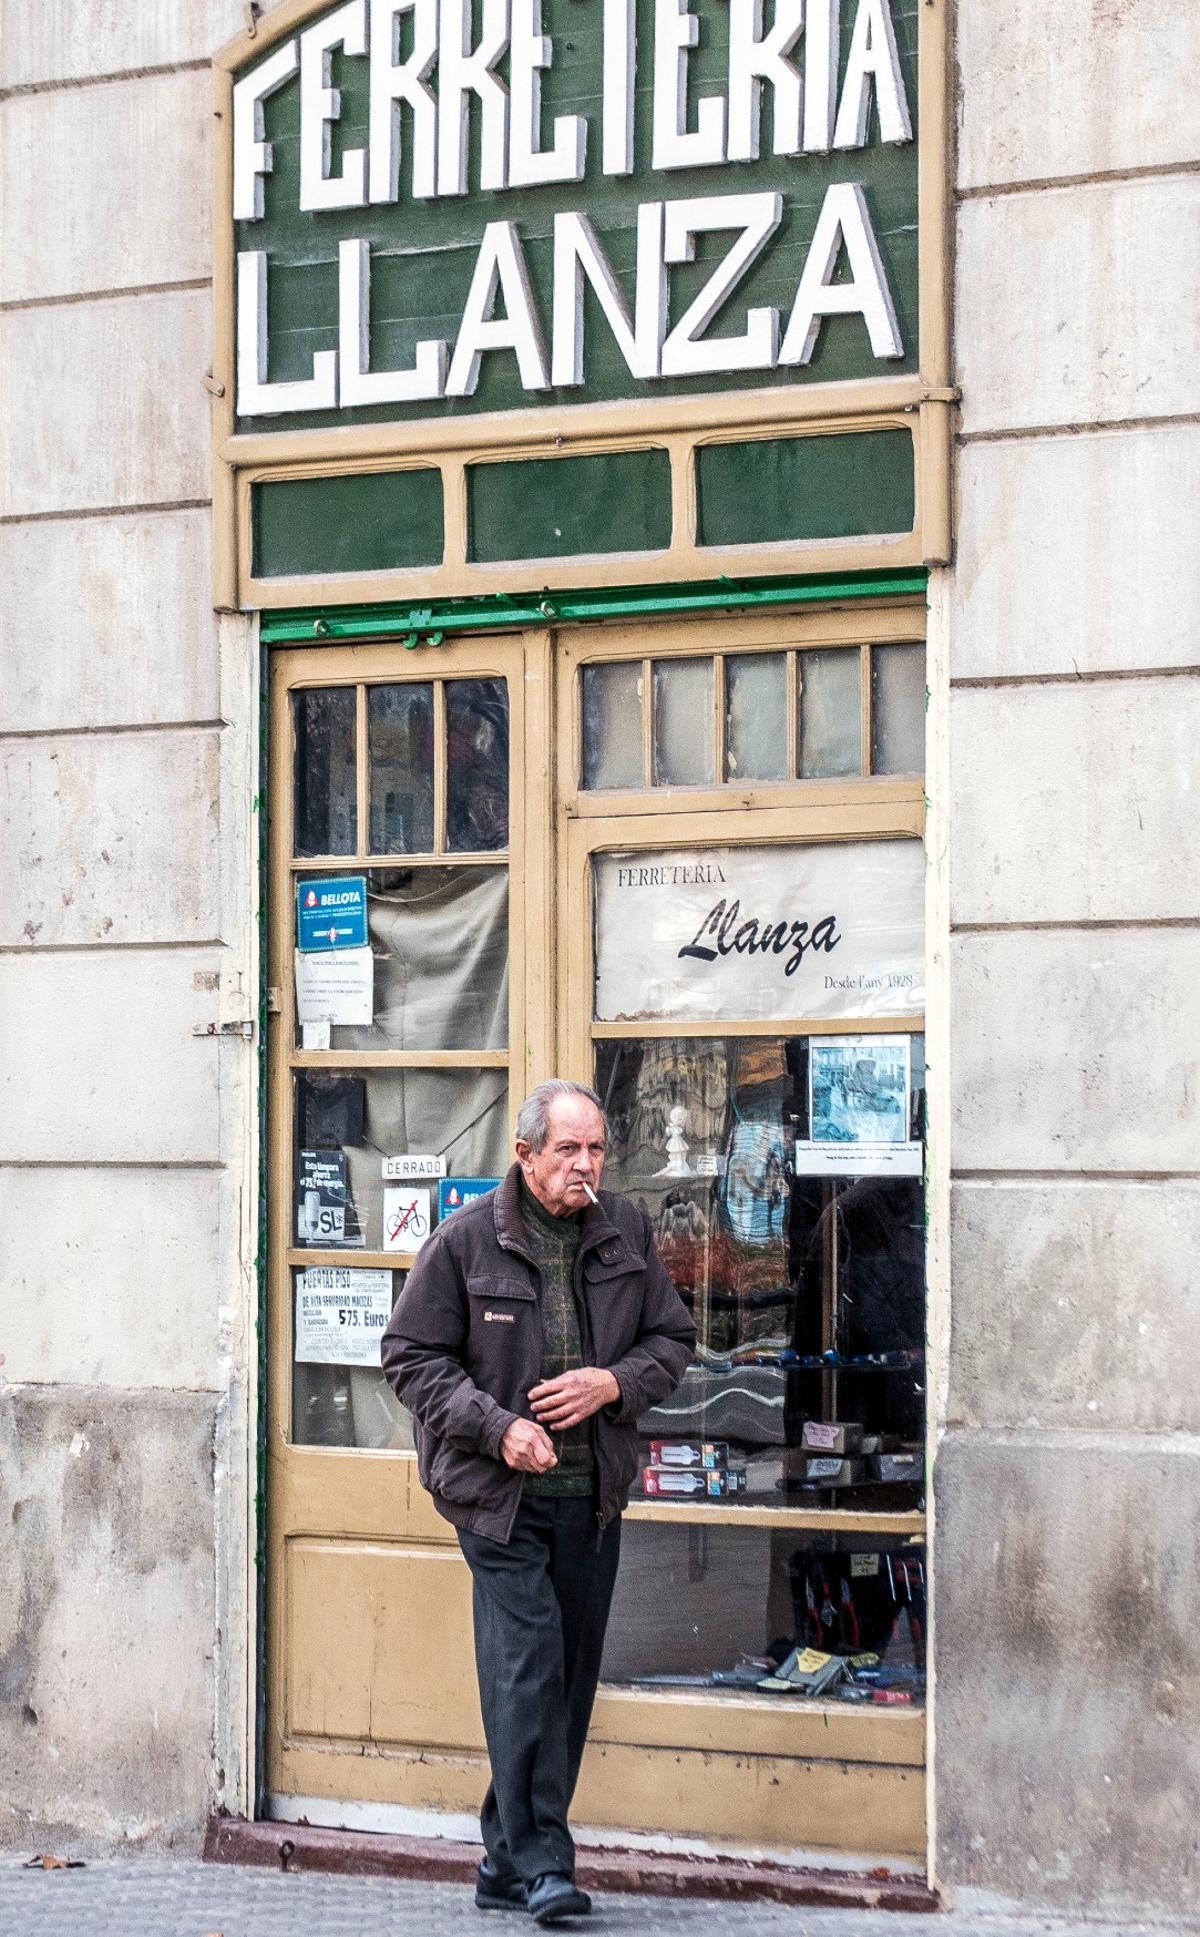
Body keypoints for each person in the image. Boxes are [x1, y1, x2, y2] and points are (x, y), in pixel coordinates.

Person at [381, 1080, 695, 1926]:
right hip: (497, 1500)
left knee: (567, 1680)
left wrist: (612, 1382)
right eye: (568, 1150)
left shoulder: (624, 1230)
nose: (587, 1165)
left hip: (591, 1495)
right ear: (525, 1154)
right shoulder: (464, 1240)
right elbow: (409, 1357)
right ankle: (547, 1866)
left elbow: (673, 1338)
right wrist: (496, 1428)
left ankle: (499, 1854)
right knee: (529, 1667)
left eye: (596, 1148)